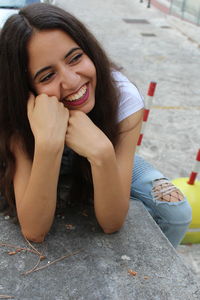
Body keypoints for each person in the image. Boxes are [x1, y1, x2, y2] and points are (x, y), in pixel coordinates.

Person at [0, 3, 192, 247]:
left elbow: (112, 222)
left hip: (103, 147)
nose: (71, 81)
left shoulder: (123, 97)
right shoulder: (16, 112)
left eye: (75, 58)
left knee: (175, 211)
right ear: (25, 88)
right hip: (39, 150)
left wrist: (101, 153)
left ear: (89, 51)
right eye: (47, 76)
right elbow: (35, 230)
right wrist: (48, 144)